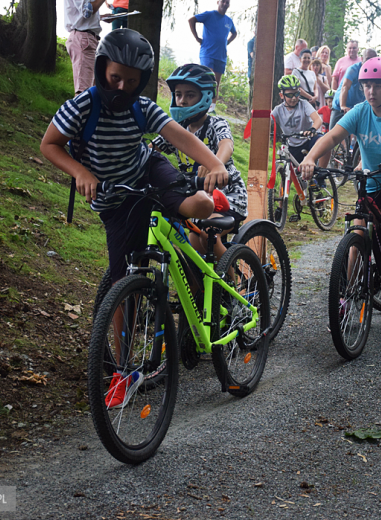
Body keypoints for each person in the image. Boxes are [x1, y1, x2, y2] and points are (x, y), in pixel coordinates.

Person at [41, 30, 228, 409]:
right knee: (122, 281)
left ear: (142, 81)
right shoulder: (80, 106)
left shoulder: (141, 107)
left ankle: (200, 221)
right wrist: (79, 171)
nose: (122, 86)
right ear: (101, 71)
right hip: (115, 200)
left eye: (131, 80)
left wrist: (213, 163)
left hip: (148, 172)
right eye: (115, 78)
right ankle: (123, 369)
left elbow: (179, 138)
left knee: (198, 205)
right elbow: (49, 144)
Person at [301, 58, 381, 280]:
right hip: (373, 179)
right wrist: (311, 158)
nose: (371, 91)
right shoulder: (360, 111)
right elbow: (332, 136)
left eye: (378, 85)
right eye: (367, 86)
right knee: (357, 234)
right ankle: (348, 295)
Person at [151, 64, 248, 259]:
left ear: (206, 96)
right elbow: (151, 150)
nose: (182, 100)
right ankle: (198, 289)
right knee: (189, 246)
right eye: (178, 94)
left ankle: (230, 282)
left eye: (190, 95)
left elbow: (226, 145)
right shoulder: (177, 129)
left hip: (228, 197)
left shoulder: (215, 124)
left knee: (205, 234)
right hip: (198, 197)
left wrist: (215, 165)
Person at [272, 75, 328, 170]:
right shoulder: (278, 110)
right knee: (287, 176)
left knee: (326, 143)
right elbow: (265, 124)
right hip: (292, 146)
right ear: (282, 95)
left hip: (309, 139)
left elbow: (318, 119)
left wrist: (312, 129)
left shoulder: (304, 104)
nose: (294, 98)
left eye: (296, 94)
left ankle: (320, 174)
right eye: (290, 95)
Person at [188, 0, 237, 103]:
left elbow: (234, 33)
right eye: (223, 1)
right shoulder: (209, 14)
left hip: (221, 55)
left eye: (227, 2)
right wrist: (197, 38)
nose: (225, 4)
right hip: (208, 53)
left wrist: (227, 42)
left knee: (215, 83)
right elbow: (191, 20)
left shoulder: (229, 21)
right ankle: (200, 103)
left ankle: (212, 108)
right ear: (218, 2)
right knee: (208, 78)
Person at [330, 48, 377, 131]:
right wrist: (343, 106)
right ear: (362, 59)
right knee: (332, 134)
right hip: (340, 106)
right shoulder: (354, 69)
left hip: (356, 107)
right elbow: (345, 86)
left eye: (373, 59)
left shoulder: (374, 72)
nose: (370, 62)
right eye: (368, 59)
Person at [65, 0, 105, 95]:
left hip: (87, 39)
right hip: (84, 39)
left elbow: (83, 14)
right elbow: (87, 11)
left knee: (93, 90)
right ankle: (80, 109)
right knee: (84, 92)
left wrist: (100, 17)